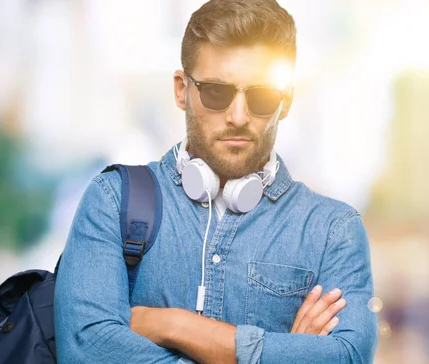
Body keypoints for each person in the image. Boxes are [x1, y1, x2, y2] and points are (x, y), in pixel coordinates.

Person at [54, 0, 378, 362]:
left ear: (286, 102)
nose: (238, 116)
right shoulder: (112, 201)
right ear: (181, 89)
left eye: (262, 96)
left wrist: (174, 325)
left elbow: (347, 356)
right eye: (216, 92)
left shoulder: (334, 231)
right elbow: (88, 352)